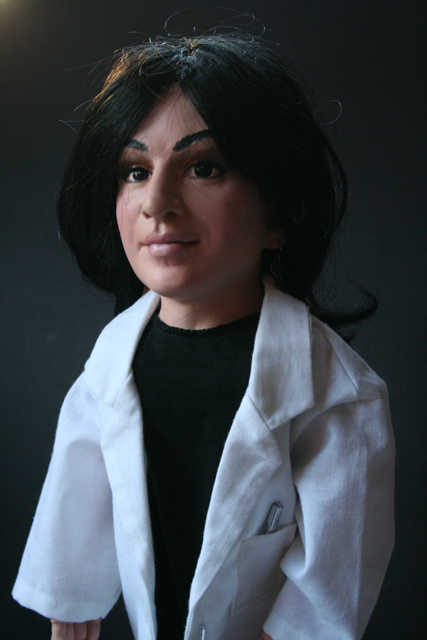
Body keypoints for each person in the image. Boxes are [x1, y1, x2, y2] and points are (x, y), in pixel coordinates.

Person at [12, 33, 394, 640]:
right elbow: (75, 495)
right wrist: (71, 603)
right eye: (135, 171)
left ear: (277, 214)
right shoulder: (111, 364)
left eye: (204, 168)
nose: (157, 202)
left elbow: (335, 570)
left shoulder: (337, 393)